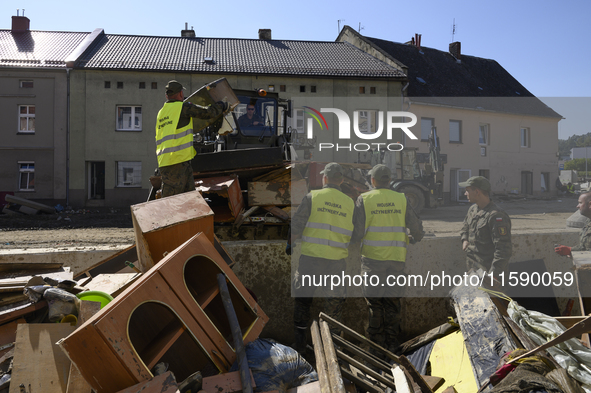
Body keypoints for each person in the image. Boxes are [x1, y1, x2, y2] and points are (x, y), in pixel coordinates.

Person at [287, 162, 361, 353]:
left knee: (303, 301)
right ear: (342, 180)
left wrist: (290, 243)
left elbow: (296, 226)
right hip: (336, 262)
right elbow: (356, 234)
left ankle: (301, 346)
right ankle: (332, 348)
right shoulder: (350, 203)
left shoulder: (313, 197)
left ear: (325, 178)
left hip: (310, 260)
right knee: (334, 305)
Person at [354, 164, 424, 357]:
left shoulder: (364, 199)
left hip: (372, 260)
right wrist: (415, 238)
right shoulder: (401, 198)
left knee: (375, 304)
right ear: (389, 181)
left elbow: (357, 232)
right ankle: (392, 346)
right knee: (392, 303)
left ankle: (375, 349)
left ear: (373, 180)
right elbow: (416, 228)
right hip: (396, 260)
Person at [155, 80, 226, 197]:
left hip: (171, 161)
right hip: (176, 160)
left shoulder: (161, 112)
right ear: (181, 94)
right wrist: (222, 106)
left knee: (188, 197)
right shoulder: (182, 108)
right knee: (172, 201)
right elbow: (207, 113)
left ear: (166, 95)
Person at [459, 176, 512, 278]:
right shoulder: (473, 209)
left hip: (489, 273)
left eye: (467, 191)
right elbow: (465, 225)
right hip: (473, 270)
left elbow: (503, 250)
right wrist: (465, 238)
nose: (465, 193)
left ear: (477, 192)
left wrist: (493, 275)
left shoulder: (496, 216)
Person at [554, 192, 591, 256]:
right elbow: (585, 247)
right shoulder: (588, 221)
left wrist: (570, 250)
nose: (577, 206)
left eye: (580, 203)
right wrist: (569, 249)